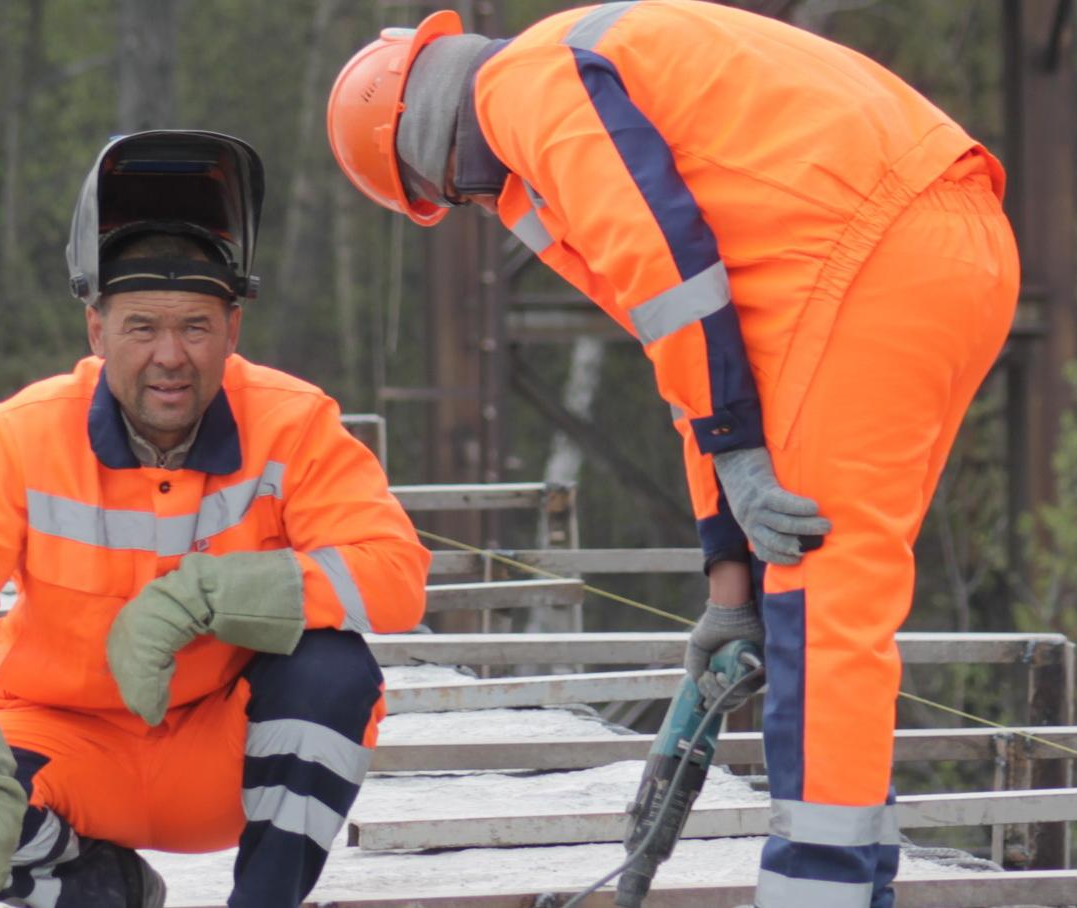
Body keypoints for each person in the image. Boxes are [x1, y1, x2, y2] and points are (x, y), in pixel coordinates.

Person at [323, 2, 1019, 904]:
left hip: (867, 264)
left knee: (818, 605)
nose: (471, 206)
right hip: (938, 248)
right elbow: (687, 352)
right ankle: (855, 883)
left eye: (448, 195)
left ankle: (819, 887)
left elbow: (664, 276)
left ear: (423, 146)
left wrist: (733, 449)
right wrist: (728, 582)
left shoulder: (526, 86)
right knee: (823, 596)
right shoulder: (583, 55)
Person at [0, 130, 431, 908]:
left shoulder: (294, 423)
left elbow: (396, 576)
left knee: (333, 670)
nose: (171, 354)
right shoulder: (21, 434)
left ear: (232, 333)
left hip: (222, 751)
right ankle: (108, 889)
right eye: (142, 327)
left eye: (196, 327)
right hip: (66, 743)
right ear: (97, 333)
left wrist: (203, 595)